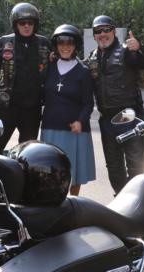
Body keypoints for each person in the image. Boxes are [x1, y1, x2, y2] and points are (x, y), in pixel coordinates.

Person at [86, 15, 144, 194]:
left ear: (114, 31)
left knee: (136, 165)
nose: (102, 34)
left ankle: (139, 200)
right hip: (106, 119)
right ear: (94, 35)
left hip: (129, 115)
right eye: (98, 31)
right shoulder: (92, 57)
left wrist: (138, 48)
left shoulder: (126, 51)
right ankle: (122, 199)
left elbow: (142, 62)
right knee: (113, 167)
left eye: (106, 29)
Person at [0, 2, 51, 152]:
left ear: (35, 24)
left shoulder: (44, 43)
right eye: (22, 23)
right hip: (7, 108)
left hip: (32, 110)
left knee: (28, 151)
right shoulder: (4, 42)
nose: (26, 26)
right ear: (15, 24)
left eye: (30, 22)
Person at [40, 24, 95, 196]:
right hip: (50, 127)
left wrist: (81, 121)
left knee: (73, 172)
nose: (65, 46)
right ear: (56, 45)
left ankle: (73, 204)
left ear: (75, 45)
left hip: (74, 131)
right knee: (50, 172)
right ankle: (52, 204)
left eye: (70, 42)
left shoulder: (83, 72)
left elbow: (88, 103)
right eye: (61, 42)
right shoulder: (49, 67)